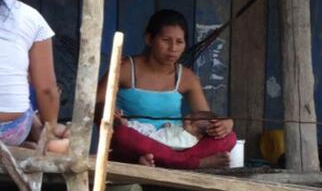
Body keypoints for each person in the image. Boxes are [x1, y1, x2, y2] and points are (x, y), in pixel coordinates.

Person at [97, 9, 236, 169]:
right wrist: (108, 113)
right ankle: (191, 163)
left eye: (179, 42)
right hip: (138, 143)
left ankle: (167, 161)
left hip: (175, 143)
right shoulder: (125, 69)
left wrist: (224, 124)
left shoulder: (186, 77)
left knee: (229, 138)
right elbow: (97, 106)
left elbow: (203, 119)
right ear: (149, 39)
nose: (173, 48)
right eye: (166, 40)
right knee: (122, 135)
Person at [0, 0, 67, 151]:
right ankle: (46, 143)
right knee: (28, 107)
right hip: (9, 130)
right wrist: (51, 128)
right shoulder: (29, 16)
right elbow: (46, 90)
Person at [115, 110, 216, 164]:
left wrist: (151, 138)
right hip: (156, 132)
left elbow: (170, 144)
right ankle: (126, 123)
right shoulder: (186, 129)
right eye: (190, 117)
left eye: (190, 123)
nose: (186, 121)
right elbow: (174, 131)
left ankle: (125, 125)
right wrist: (169, 126)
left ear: (200, 136)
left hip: (154, 140)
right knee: (148, 126)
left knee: (141, 131)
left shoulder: (188, 141)